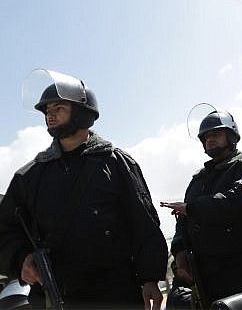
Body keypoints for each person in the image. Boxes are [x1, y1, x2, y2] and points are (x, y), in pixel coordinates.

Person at [0, 70, 167, 309]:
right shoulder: (29, 176)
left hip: (116, 293)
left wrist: (150, 278)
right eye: (48, 111)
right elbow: (6, 230)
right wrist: (20, 260)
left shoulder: (117, 163)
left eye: (58, 108)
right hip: (55, 296)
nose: (50, 115)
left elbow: (144, 223)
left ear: (81, 113)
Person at [161, 108, 242, 308]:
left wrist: (192, 208)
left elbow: (234, 203)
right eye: (206, 137)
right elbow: (183, 223)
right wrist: (180, 255)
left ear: (231, 136)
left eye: (216, 134)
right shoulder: (197, 181)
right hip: (208, 281)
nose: (210, 140)